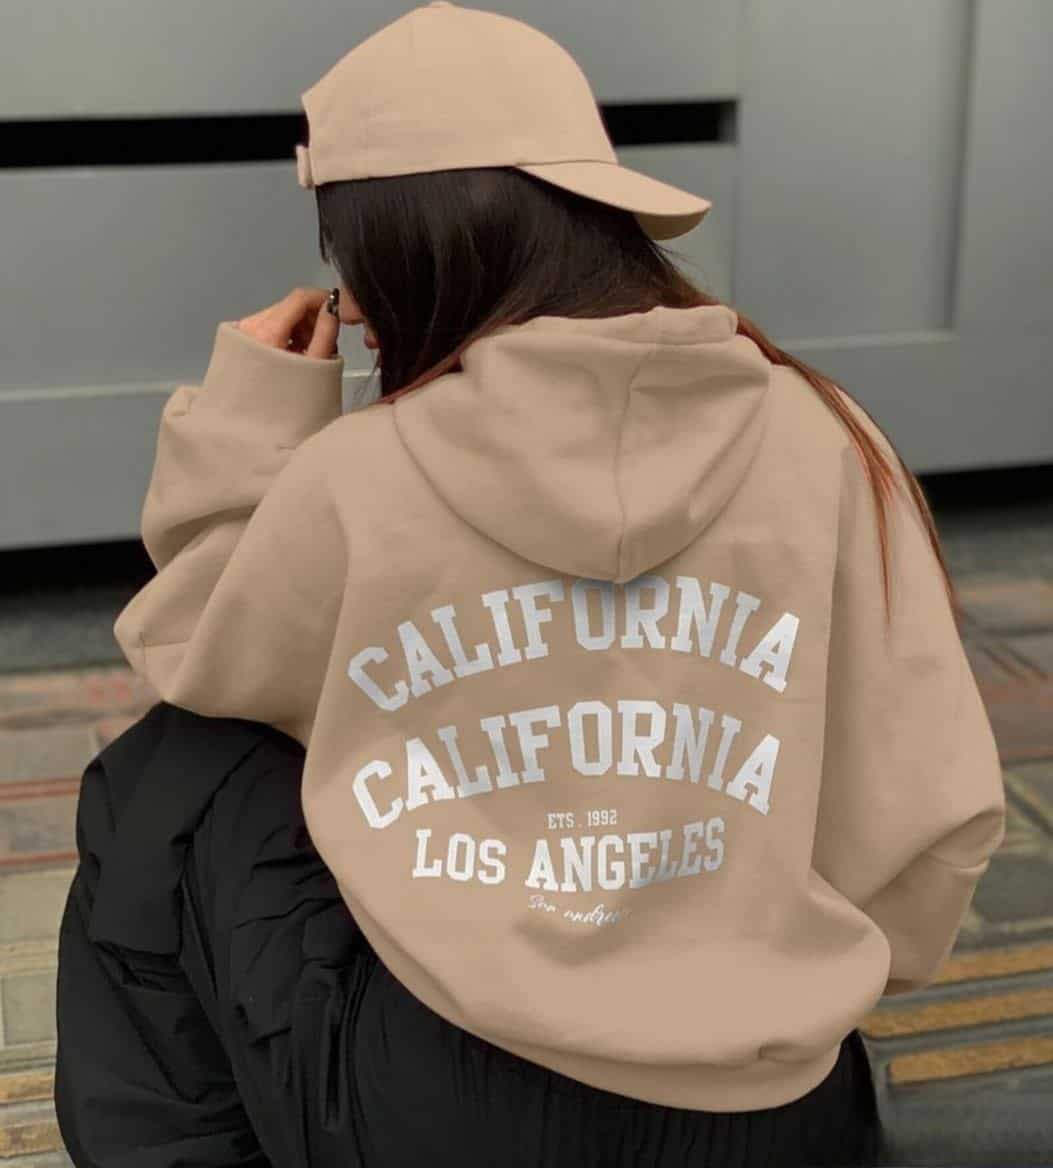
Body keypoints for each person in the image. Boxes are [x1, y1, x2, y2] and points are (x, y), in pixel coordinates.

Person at [54, 3, 1006, 1166]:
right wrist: (757, 960)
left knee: (163, 774)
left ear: (409, 255)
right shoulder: (826, 436)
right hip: (777, 1119)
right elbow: (934, 822)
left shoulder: (363, 475)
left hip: (439, 1110)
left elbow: (200, 651)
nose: (352, 307)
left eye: (349, 267)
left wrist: (255, 410)